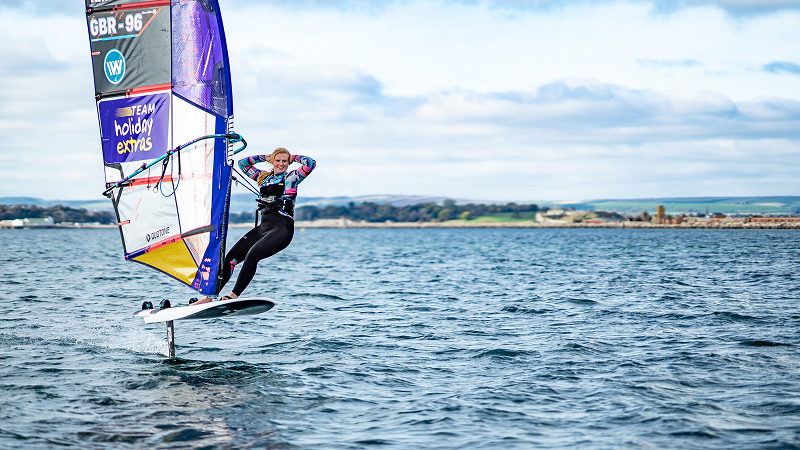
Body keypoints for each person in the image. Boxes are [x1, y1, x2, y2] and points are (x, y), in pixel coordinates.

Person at [192, 148, 315, 304]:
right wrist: (265, 157)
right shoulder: (264, 178)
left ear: (289, 162)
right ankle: (211, 297)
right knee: (230, 258)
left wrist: (293, 157)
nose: (281, 164)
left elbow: (310, 163)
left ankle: (233, 296)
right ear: (273, 161)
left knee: (252, 255)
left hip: (282, 228)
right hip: (264, 227)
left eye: (285, 161)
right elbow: (243, 164)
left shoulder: (291, 178)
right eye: (278, 160)